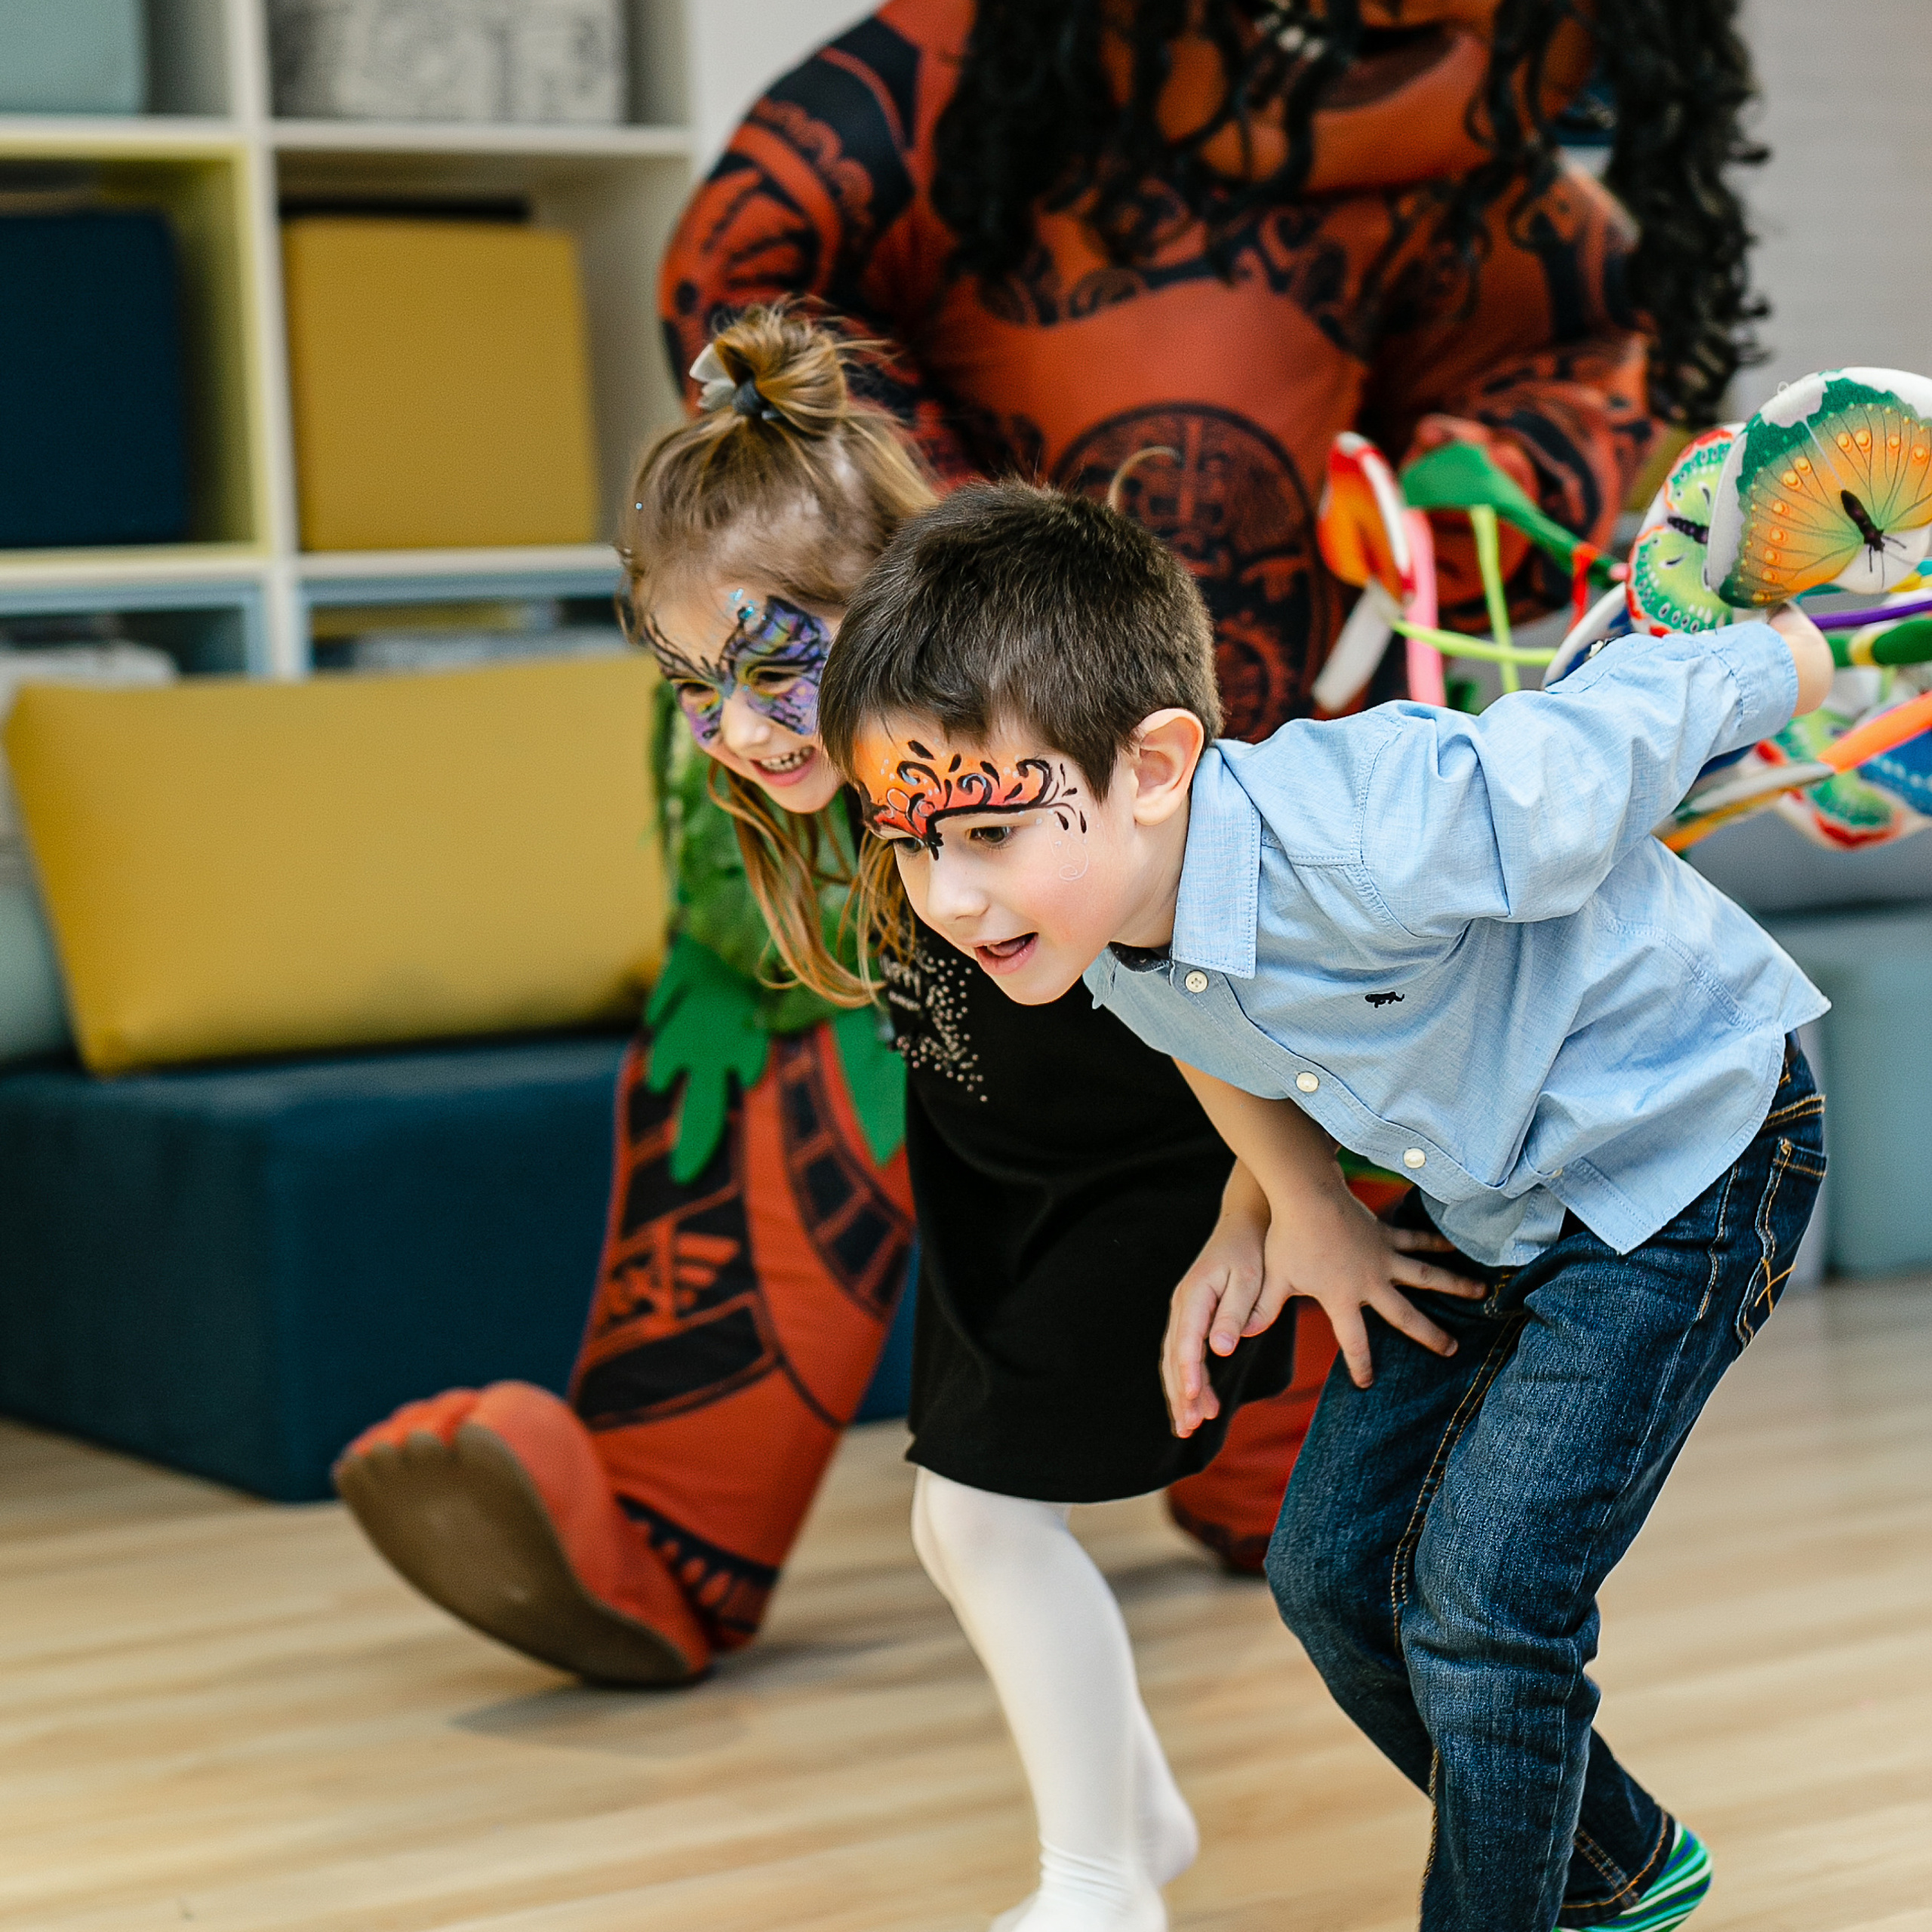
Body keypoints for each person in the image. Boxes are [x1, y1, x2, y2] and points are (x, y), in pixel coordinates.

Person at [818, 481, 1835, 1932]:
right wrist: (1294, 1210)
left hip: (1685, 1157)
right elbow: (1202, 1035)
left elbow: (1593, 746)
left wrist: (1800, 658)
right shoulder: (1103, 921)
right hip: (1487, 1195)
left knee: (1488, 1607)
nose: (954, 895)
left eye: (983, 830)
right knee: (1331, 1578)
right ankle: (1620, 1867)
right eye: (914, 844)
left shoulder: (1384, 828)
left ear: (1159, 762)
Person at [625, 309, 1444, 1932]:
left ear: (890, 609)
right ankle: (1131, 1814)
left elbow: (1207, 989)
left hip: (1143, 1171)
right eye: (687, 682)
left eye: (770, 660)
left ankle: (1099, 1876)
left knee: (983, 1519)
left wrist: (1275, 1198)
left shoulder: (1000, 793)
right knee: (957, 1527)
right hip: (995, 1192)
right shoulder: (846, 804)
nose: (734, 722)